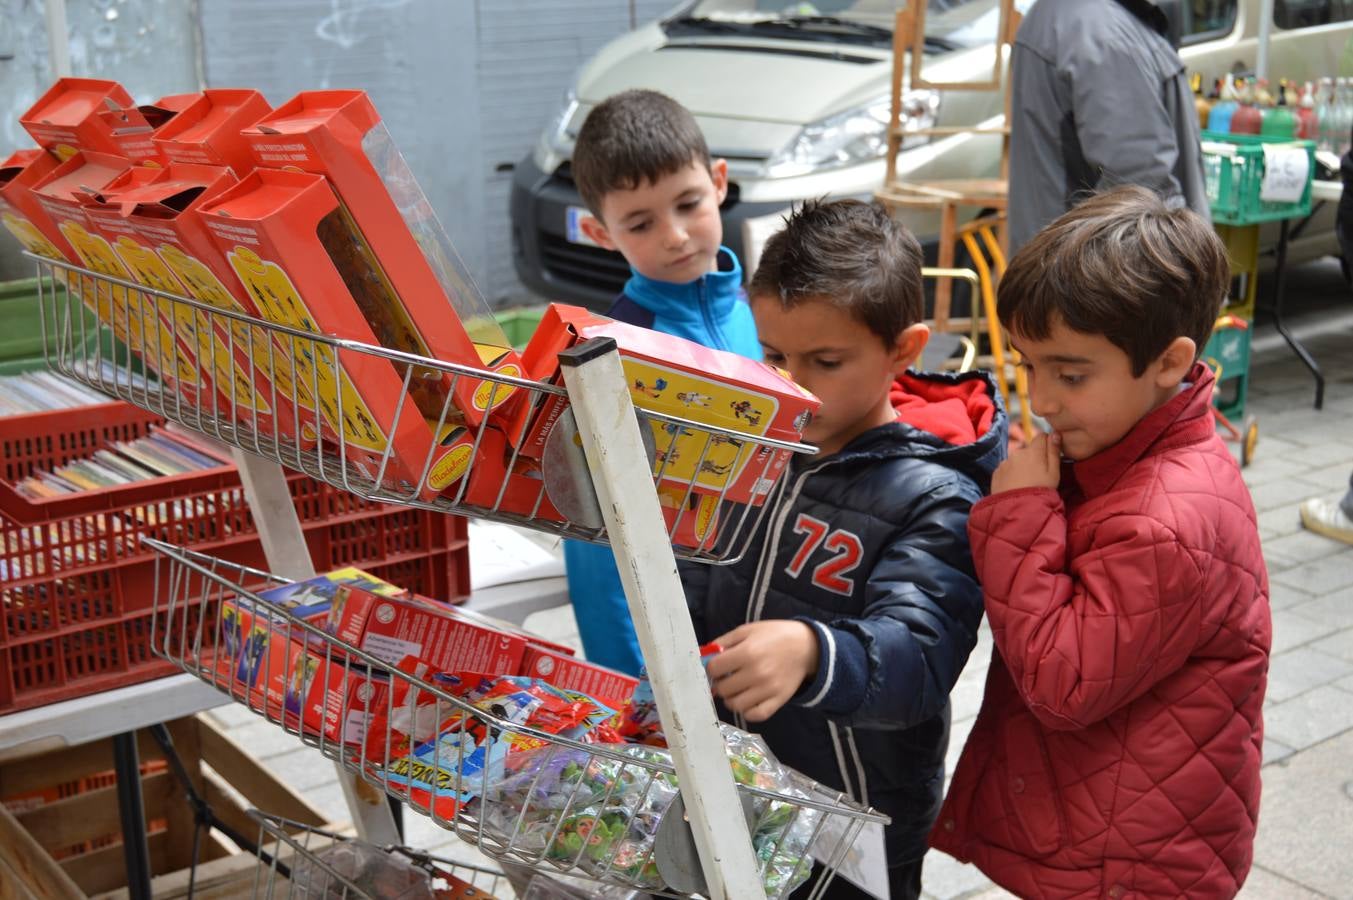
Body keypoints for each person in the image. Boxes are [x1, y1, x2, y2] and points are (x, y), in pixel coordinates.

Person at [931, 187, 1271, 898]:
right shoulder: (1130, 450)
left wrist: (1022, 514)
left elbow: (1063, 684)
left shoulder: (1161, 522)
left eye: (1070, 373)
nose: (1042, 400)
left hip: (1127, 863)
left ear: (1169, 362)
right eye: (1029, 367)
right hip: (1120, 820)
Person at [682, 199, 1008, 899]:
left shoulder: (936, 497)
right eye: (773, 356)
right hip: (741, 781)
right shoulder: (758, 451)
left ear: (903, 349)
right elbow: (701, 580)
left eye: (825, 361)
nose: (790, 385)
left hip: (855, 819)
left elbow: (919, 658)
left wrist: (811, 650)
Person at [563, 89, 761, 677]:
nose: (674, 235)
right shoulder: (615, 358)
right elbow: (595, 538)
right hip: (682, 641)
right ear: (602, 233)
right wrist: (635, 686)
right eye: (641, 223)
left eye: (689, 203)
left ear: (720, 181)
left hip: (770, 621)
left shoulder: (768, 315)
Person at [1007, 0, 1210, 251]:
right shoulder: (1102, 33)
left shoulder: (1080, 19)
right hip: (1089, 277)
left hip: (1064, 267)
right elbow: (1141, 195)